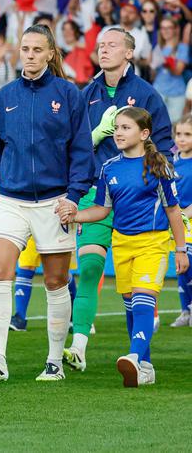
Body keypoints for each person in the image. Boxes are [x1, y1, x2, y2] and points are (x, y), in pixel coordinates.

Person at [0, 24, 95, 382]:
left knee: (56, 281)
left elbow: (82, 151)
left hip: (55, 201)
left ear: (50, 54)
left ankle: (54, 362)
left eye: (38, 49)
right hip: (9, 199)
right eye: (25, 48)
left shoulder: (69, 95)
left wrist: (73, 196)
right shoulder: (5, 96)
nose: (30, 54)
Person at [62, 27, 174, 373]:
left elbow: (166, 145)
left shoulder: (146, 94)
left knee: (132, 294)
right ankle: (79, 345)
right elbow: (74, 143)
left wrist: (152, 180)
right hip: (96, 195)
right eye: (100, 45)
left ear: (129, 53)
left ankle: (141, 356)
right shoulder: (87, 94)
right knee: (91, 267)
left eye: (112, 45)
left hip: (136, 199)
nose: (103, 49)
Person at [67, 107, 188, 387]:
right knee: (131, 306)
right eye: (117, 128)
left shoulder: (159, 167)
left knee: (144, 299)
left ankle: (134, 355)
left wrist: (180, 249)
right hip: (121, 244)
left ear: (144, 134)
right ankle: (144, 366)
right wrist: (75, 215)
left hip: (153, 244)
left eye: (125, 128)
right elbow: (101, 209)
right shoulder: (109, 168)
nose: (118, 133)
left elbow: (173, 211)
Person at [170, 116, 192, 327]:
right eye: (179, 134)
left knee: (189, 260)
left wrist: (185, 213)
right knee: (181, 264)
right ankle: (185, 311)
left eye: (188, 134)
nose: (182, 139)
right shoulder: (172, 162)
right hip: (179, 221)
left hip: (188, 219)